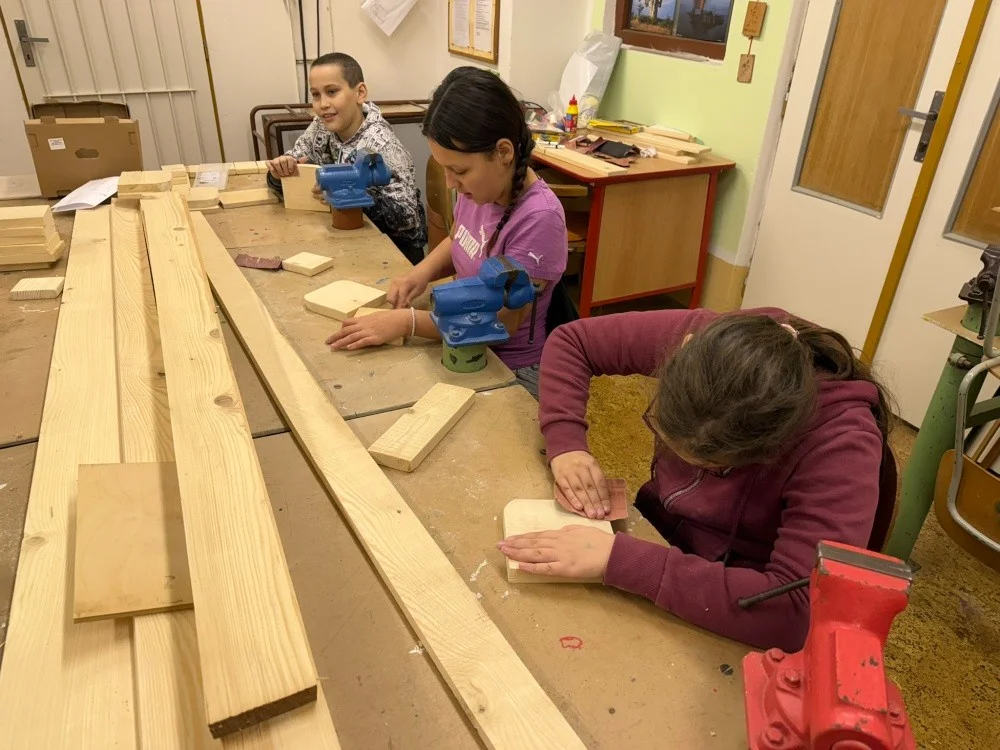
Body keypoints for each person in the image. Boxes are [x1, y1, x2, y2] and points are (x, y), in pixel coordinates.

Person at [497, 309, 898, 651]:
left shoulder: (842, 447)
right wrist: (567, 443)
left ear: (769, 449)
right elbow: (573, 341)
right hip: (665, 535)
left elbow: (795, 612)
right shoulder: (710, 348)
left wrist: (619, 560)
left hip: (741, 588)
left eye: (708, 465)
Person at [324, 67, 569, 398]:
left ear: (503, 152)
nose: (451, 183)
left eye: (459, 170)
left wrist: (407, 323)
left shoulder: (539, 219)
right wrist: (419, 274)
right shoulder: (482, 188)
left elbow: (500, 321)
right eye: (445, 169)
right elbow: (459, 239)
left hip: (508, 366)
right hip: (456, 340)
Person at [267, 52, 427, 265]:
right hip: (344, 240)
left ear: (360, 93)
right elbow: (296, 164)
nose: (323, 104)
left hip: (392, 255)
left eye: (332, 92)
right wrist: (280, 173)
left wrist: (357, 196)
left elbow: (408, 221)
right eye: (315, 95)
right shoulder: (320, 126)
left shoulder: (383, 147)